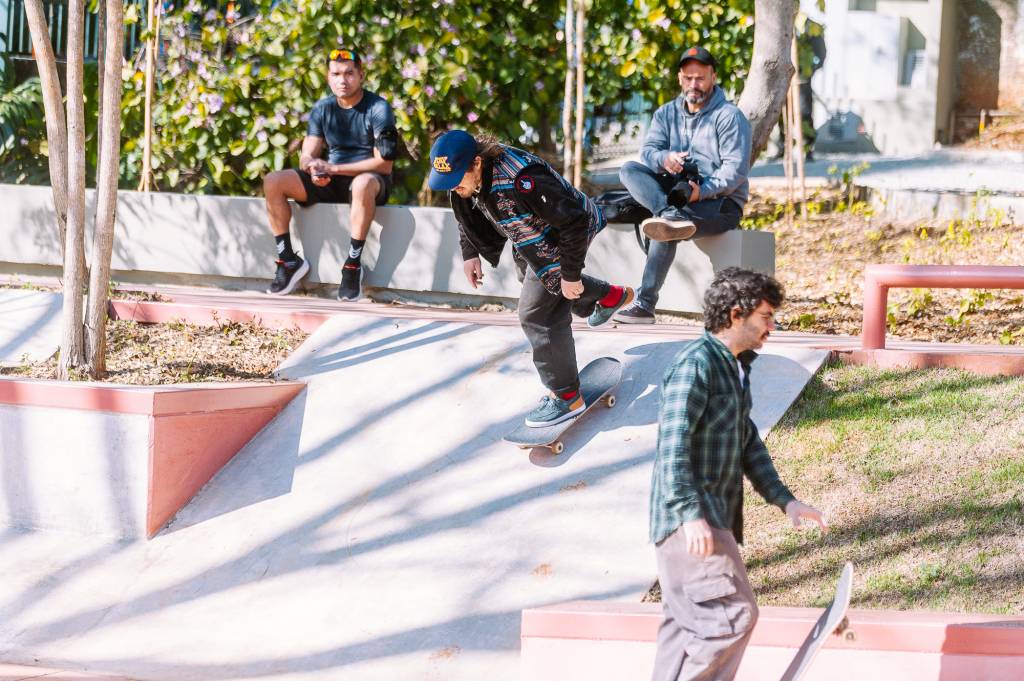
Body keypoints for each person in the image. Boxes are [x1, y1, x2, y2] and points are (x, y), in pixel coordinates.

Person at [649, 267, 828, 681]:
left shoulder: (734, 368)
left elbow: (747, 443)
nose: (772, 327)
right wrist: (690, 515)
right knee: (730, 618)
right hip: (692, 520)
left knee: (684, 629)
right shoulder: (696, 366)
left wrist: (786, 500)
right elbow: (672, 445)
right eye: (766, 316)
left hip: (705, 516)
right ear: (735, 315)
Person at [428, 130, 635, 427]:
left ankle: (567, 396)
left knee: (537, 314)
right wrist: (470, 252)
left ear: (477, 163)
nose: (453, 187)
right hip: (528, 235)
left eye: (456, 180)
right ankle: (609, 296)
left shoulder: (523, 180)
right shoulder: (464, 178)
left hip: (566, 233)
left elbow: (575, 222)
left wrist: (570, 274)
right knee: (534, 281)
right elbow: (465, 210)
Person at [614, 46, 752, 325]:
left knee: (666, 229)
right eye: (688, 78)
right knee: (629, 170)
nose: (694, 84)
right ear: (679, 78)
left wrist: (703, 190)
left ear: (713, 77)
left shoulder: (729, 116)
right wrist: (665, 159)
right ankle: (670, 214)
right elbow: (649, 152)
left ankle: (645, 304)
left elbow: (735, 170)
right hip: (675, 197)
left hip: (720, 202)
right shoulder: (665, 113)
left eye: (700, 78)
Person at [262, 47, 399, 300]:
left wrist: (334, 168)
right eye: (336, 74)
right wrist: (313, 167)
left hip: (370, 182)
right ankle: (288, 260)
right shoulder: (322, 108)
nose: (342, 80)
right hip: (331, 181)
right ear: (328, 77)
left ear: (361, 75)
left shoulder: (378, 108)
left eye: (349, 73)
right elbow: (307, 154)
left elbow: (384, 164)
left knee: (362, 184)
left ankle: (352, 265)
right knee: (273, 181)